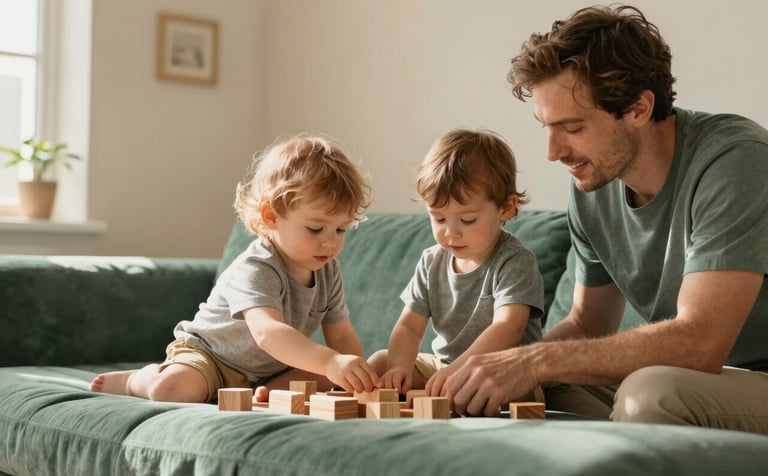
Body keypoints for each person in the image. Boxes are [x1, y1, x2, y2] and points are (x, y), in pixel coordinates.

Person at [442, 4, 768, 434]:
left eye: (572, 128)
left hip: (747, 378)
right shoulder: (594, 184)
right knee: (533, 388)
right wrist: (502, 368)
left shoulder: (736, 162)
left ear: (638, 108)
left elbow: (701, 343)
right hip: (692, 381)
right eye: (547, 127)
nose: (552, 152)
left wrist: (533, 359)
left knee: (651, 394)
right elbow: (586, 324)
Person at [91, 135, 381, 403]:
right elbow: (267, 332)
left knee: (327, 377)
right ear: (272, 216)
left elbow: (341, 335)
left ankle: (262, 394)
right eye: (316, 228)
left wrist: (357, 376)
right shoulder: (257, 266)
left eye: (341, 229)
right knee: (173, 390)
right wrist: (330, 361)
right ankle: (138, 380)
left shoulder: (328, 271)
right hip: (212, 358)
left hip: (270, 370)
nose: (330, 243)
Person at [368, 128, 545, 399]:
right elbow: (409, 326)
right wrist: (399, 367)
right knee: (380, 363)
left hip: (501, 370)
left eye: (467, 220)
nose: (451, 232)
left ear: (506, 208)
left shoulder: (514, 260)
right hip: (445, 367)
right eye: (439, 219)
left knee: (488, 393)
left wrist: (459, 371)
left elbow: (508, 328)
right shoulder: (432, 260)